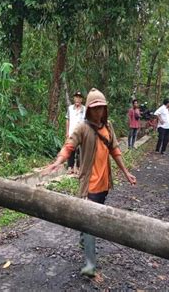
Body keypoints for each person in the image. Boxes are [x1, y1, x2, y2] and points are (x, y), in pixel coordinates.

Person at [44, 88, 136, 277]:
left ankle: (85, 239)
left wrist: (126, 173)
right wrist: (58, 161)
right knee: (90, 222)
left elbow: (115, 151)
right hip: (89, 184)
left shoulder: (108, 126)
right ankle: (90, 264)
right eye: (95, 108)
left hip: (103, 184)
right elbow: (69, 146)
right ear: (88, 110)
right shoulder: (82, 128)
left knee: (89, 221)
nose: (98, 112)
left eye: (101, 108)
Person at [65, 91, 86, 174]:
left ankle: (78, 167)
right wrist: (67, 132)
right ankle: (70, 167)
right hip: (71, 133)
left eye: (79, 97)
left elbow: (86, 121)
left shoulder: (84, 109)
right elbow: (67, 119)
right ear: (74, 98)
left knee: (80, 151)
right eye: (76, 97)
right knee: (70, 150)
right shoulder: (70, 108)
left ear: (82, 99)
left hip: (81, 134)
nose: (78, 99)